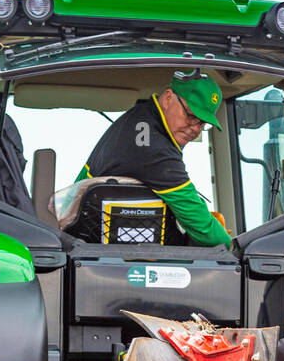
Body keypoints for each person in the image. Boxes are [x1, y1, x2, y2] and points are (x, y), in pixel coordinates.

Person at [77, 70, 231, 248]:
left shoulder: (141, 118)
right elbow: (203, 228)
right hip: (98, 248)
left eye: (201, 122)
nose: (195, 128)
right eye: (190, 116)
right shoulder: (154, 147)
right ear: (168, 98)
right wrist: (233, 249)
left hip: (91, 241)